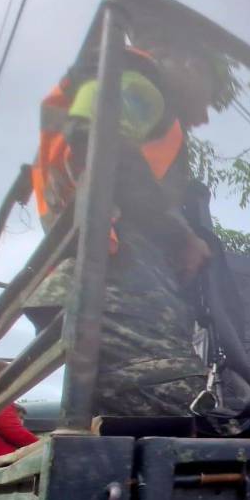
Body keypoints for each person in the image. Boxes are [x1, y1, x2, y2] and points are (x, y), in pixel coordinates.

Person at [26, 37, 222, 418]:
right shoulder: (141, 84)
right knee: (206, 418)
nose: (205, 115)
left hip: (96, 276)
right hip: (108, 280)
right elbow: (96, 137)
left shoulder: (137, 90)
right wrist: (183, 234)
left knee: (125, 416)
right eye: (207, 98)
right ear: (186, 65)